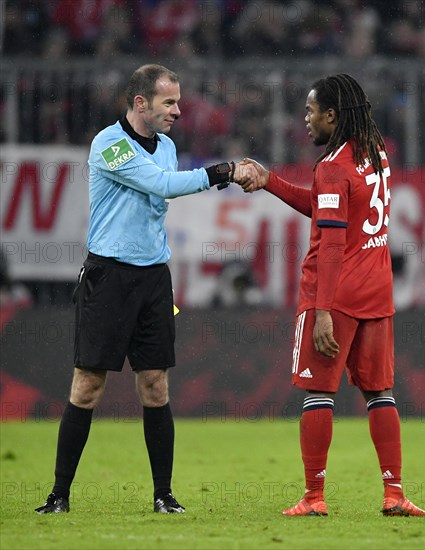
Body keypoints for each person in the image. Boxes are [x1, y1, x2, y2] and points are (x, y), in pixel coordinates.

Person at [35, 64, 252, 515]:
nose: (178, 110)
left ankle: (163, 494)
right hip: (107, 278)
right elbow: (160, 186)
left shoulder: (168, 146)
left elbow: (160, 193)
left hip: (154, 279)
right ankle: (59, 496)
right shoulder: (108, 144)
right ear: (141, 104)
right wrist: (225, 170)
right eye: (169, 102)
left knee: (155, 385)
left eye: (177, 101)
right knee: (88, 385)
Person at [236, 74, 425, 517]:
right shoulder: (374, 154)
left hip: (335, 294)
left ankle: (314, 497)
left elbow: (334, 242)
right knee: (380, 393)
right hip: (377, 293)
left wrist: (322, 312)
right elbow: (325, 207)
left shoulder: (333, 166)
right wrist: (270, 182)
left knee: (318, 393)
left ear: (332, 115)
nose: (305, 120)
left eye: (310, 111)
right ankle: (394, 493)